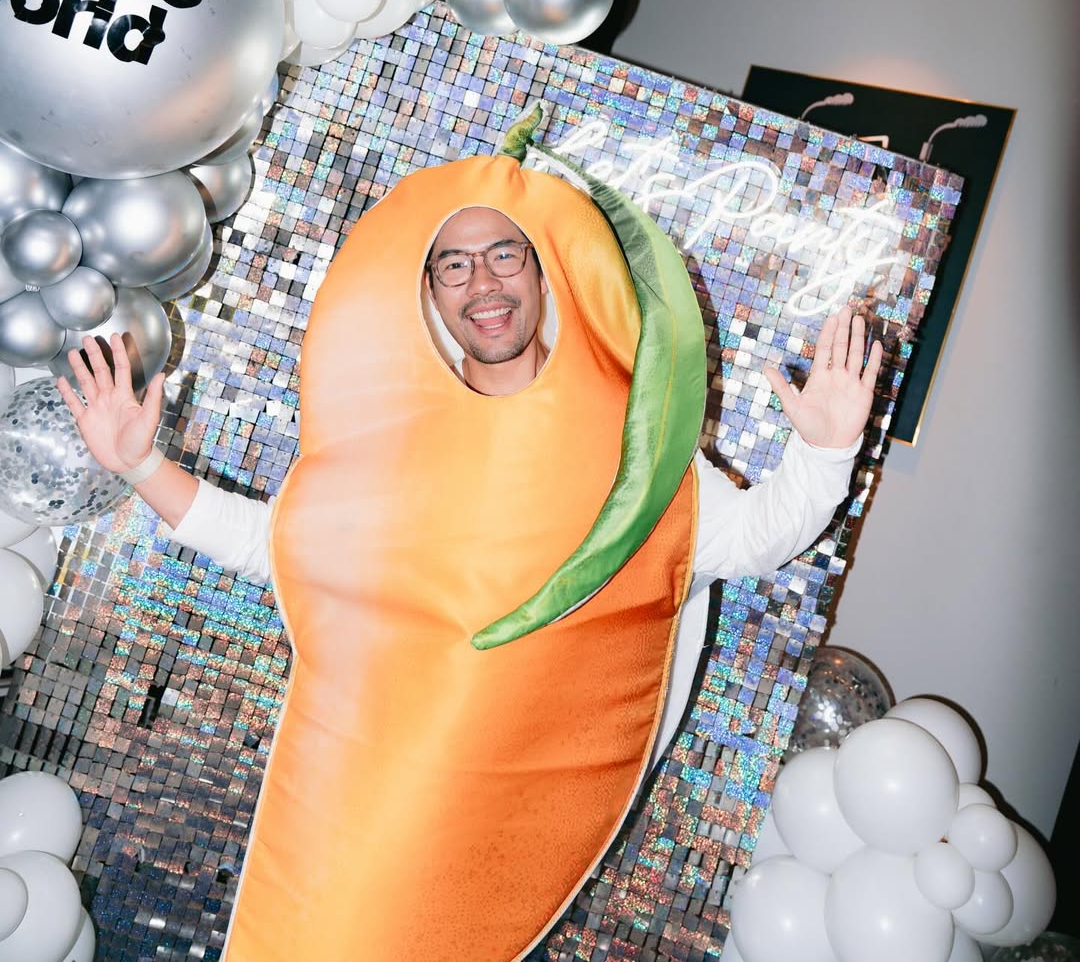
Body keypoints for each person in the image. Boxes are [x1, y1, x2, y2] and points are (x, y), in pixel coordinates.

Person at [57, 195, 882, 961]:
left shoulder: (629, 443)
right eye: (454, 263)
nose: (482, 281)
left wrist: (826, 453)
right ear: (430, 292)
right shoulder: (399, 441)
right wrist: (141, 466)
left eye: (503, 254)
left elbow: (748, 538)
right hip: (372, 822)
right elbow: (274, 543)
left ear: (544, 272)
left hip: (504, 853)